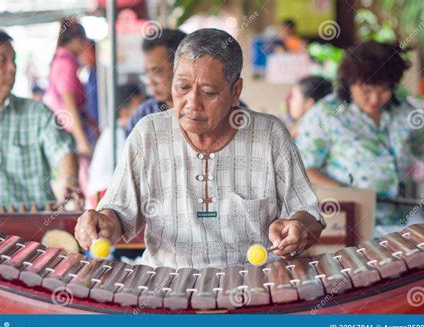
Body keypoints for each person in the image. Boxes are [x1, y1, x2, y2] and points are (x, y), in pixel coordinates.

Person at [74, 29, 325, 269]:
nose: (192, 103)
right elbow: (117, 214)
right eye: (182, 88)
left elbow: (309, 215)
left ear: (235, 91)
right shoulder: (147, 134)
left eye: (208, 92)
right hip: (166, 283)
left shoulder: (270, 136)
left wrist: (298, 226)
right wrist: (102, 223)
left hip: (254, 281)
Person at [296, 41, 424, 226]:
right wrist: (349, 194)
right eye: (366, 90)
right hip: (349, 222)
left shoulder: (403, 111)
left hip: (402, 218)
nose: (375, 99)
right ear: (349, 83)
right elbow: (304, 169)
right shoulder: (326, 115)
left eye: (383, 90)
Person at [0, 30, 79, 207]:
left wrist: (68, 181)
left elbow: (63, 152)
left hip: (35, 228)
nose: (12, 68)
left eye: (14, 60)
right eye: (2, 61)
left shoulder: (37, 114)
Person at [44, 19, 93, 200]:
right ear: (77, 39)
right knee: (77, 187)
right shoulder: (66, 61)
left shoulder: (60, 59)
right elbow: (69, 102)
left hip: (65, 130)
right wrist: (81, 140)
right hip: (69, 133)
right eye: (83, 41)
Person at [87, 84, 144, 203]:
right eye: (138, 108)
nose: (144, 111)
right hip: (103, 198)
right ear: (125, 113)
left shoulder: (117, 132)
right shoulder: (116, 134)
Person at [125, 29, 187, 137]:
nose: (150, 82)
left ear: (182, 67)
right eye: (147, 73)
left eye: (158, 71)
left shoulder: (200, 112)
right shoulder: (143, 114)